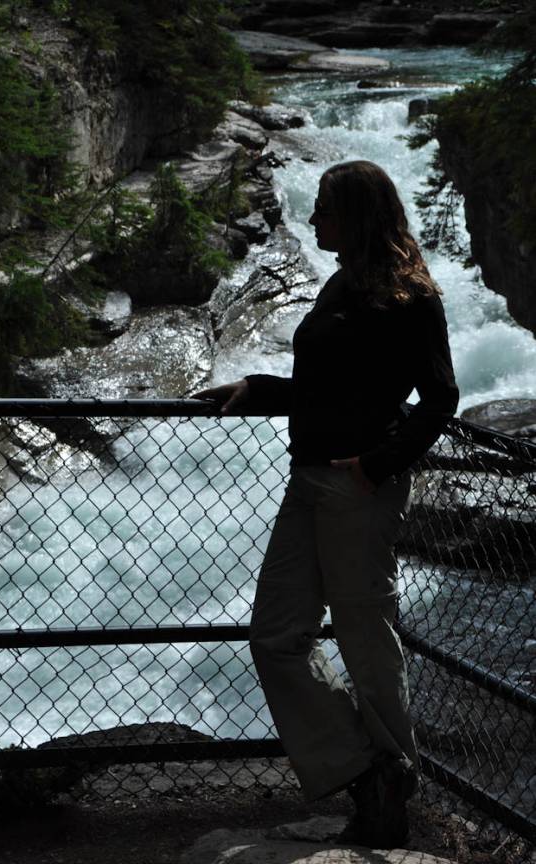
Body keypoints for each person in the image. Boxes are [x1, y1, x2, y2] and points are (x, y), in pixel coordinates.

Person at [192, 160, 459, 848]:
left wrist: (378, 464)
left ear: (359, 215)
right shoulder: (342, 283)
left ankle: (391, 791)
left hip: (356, 489)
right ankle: (370, 768)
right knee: (277, 637)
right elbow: (327, 385)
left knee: (367, 640)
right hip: (308, 481)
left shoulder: (411, 296)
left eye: (326, 211)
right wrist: (259, 387)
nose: (314, 222)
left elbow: (440, 398)